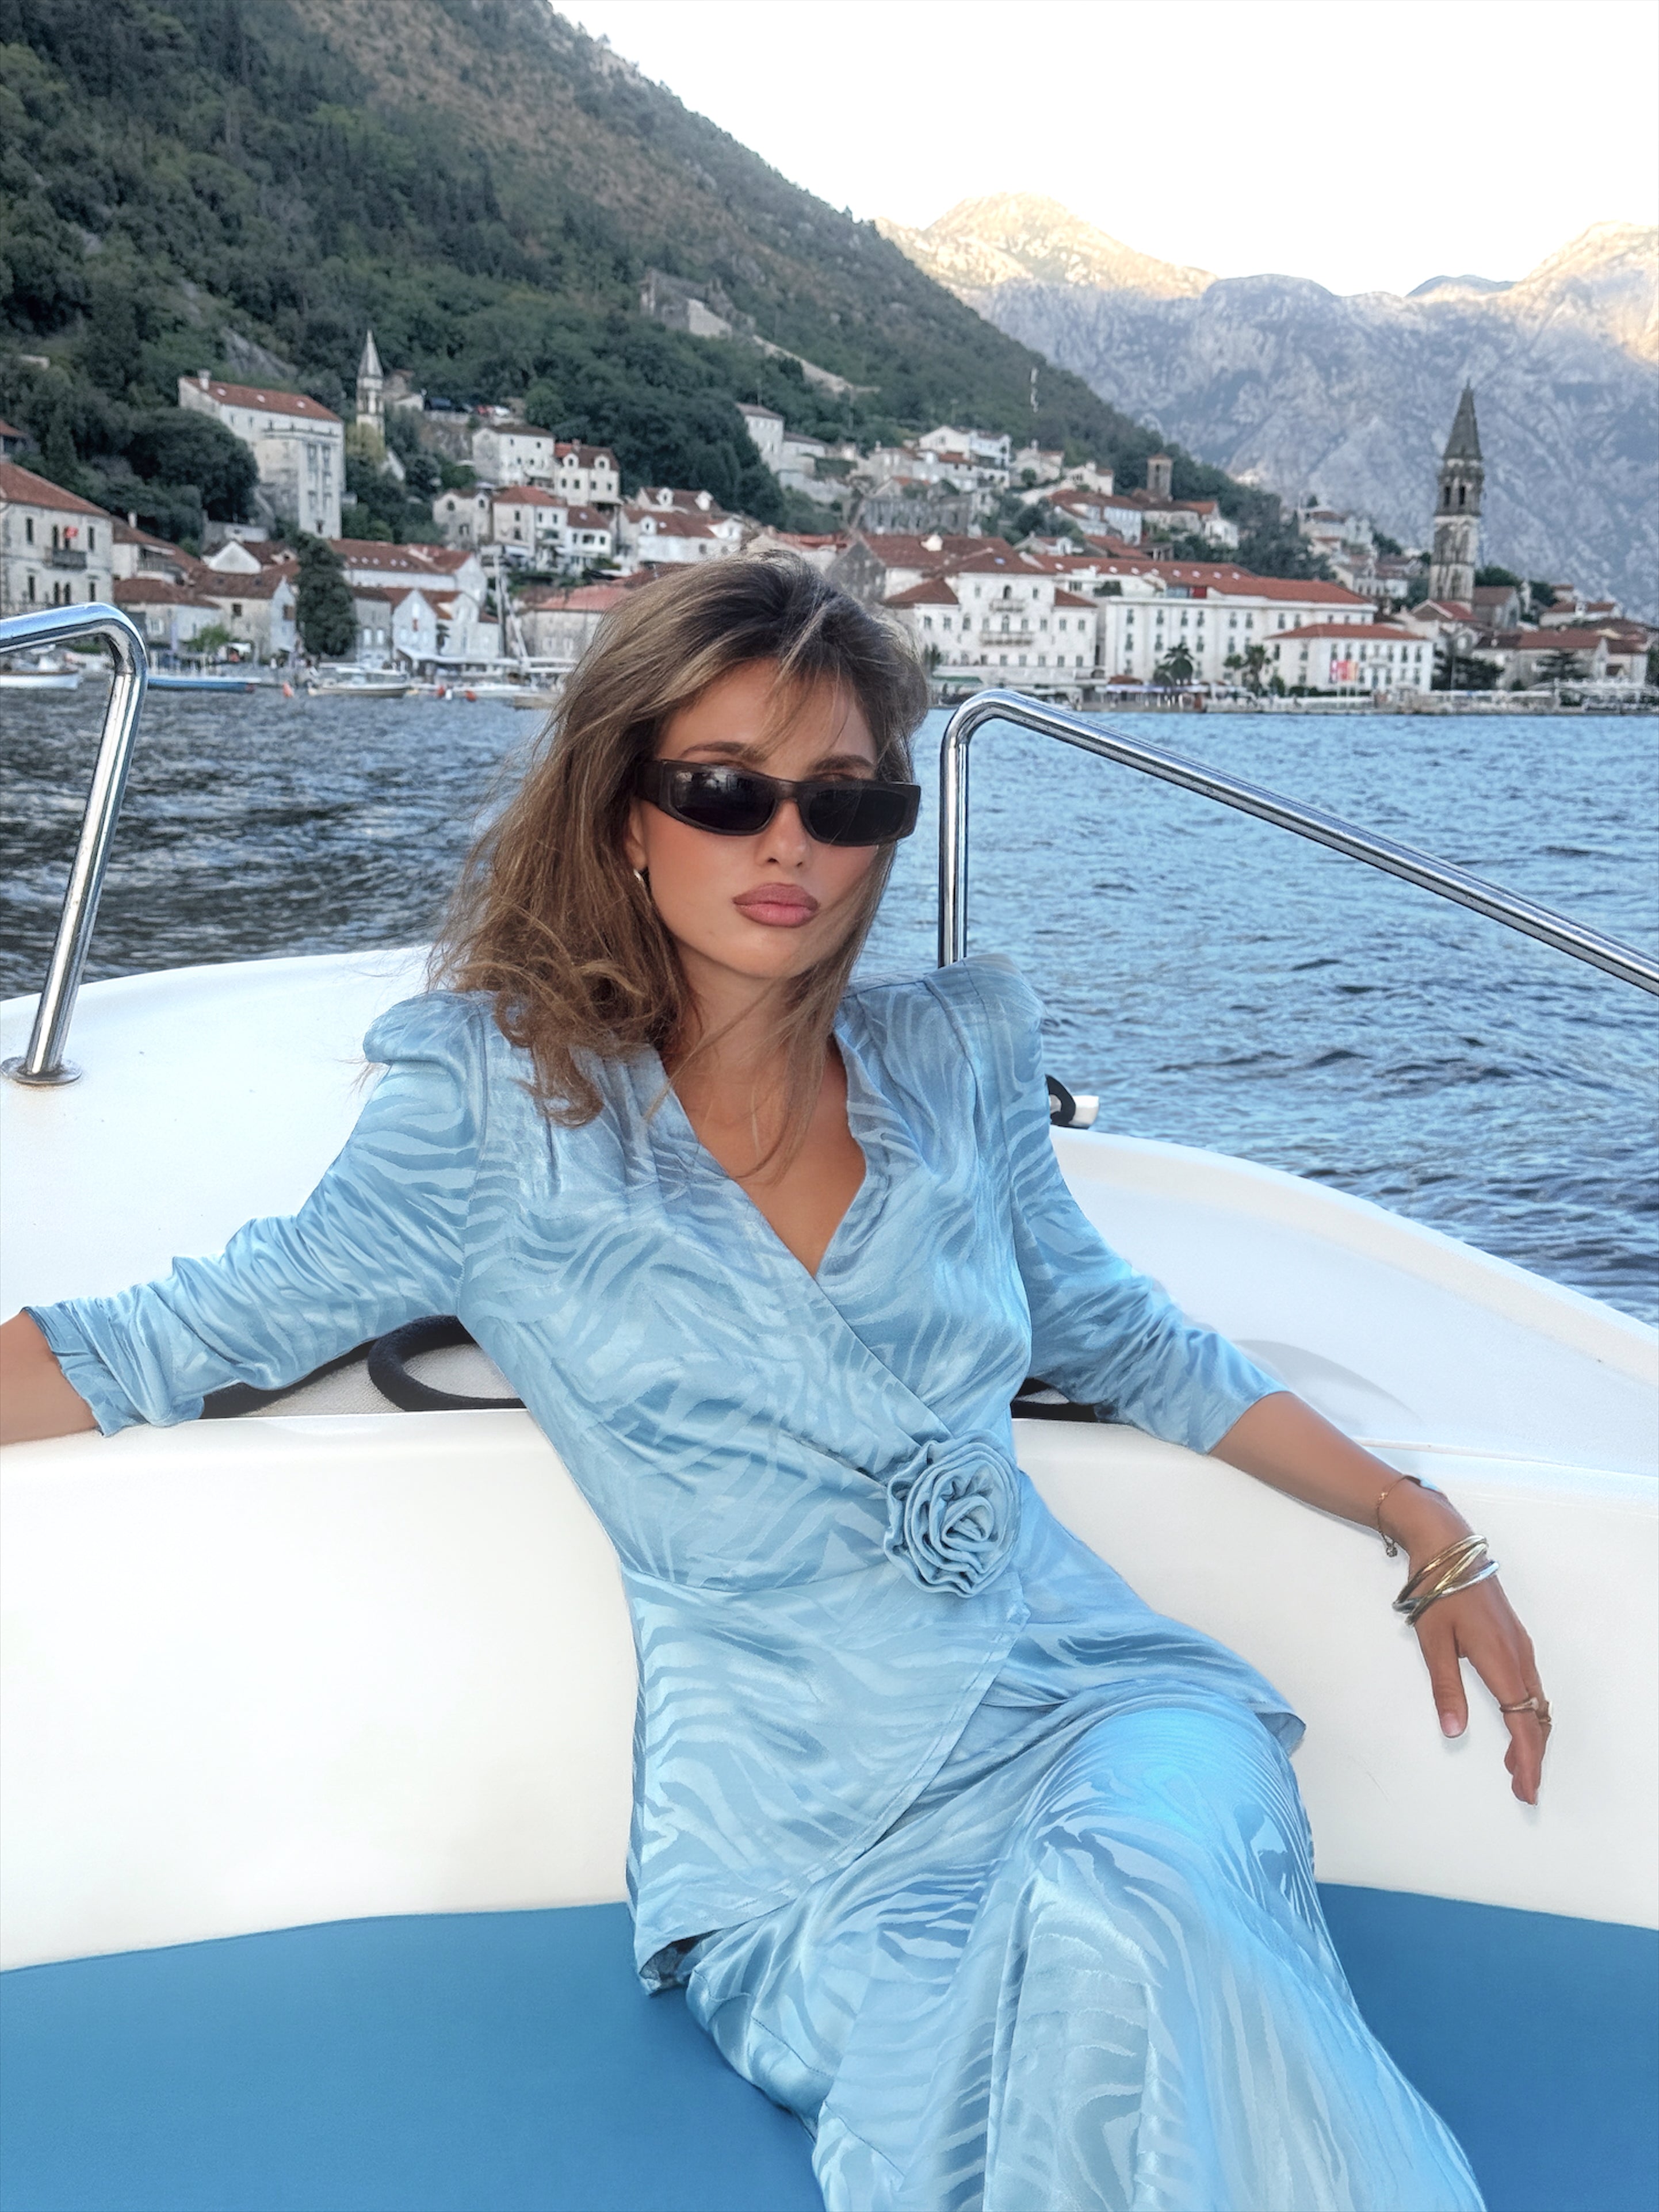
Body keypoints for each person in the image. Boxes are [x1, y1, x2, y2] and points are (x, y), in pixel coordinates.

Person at [1, 557, 1546, 2211]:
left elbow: (1125, 1340)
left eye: (844, 799)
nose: (789, 844)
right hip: (803, 1815)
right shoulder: (492, 1114)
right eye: (726, 791)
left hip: (1088, 1694)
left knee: (1147, 1891)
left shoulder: (954, 1061)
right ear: (625, 811)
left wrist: (1416, 1520)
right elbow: (155, 1339)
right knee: (1097, 1973)